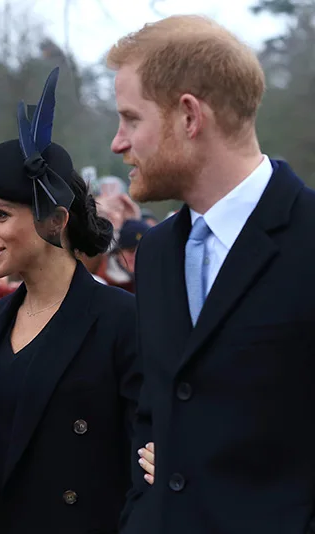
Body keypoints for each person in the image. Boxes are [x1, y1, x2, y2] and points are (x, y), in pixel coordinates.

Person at [107, 15, 315, 534]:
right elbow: (153, 417)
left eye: (131, 119)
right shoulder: (155, 253)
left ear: (188, 116)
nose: (117, 142)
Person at [0, 68, 141, 534]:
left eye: (1, 214)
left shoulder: (121, 321)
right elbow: (1, 440)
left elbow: (141, 470)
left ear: (56, 219)